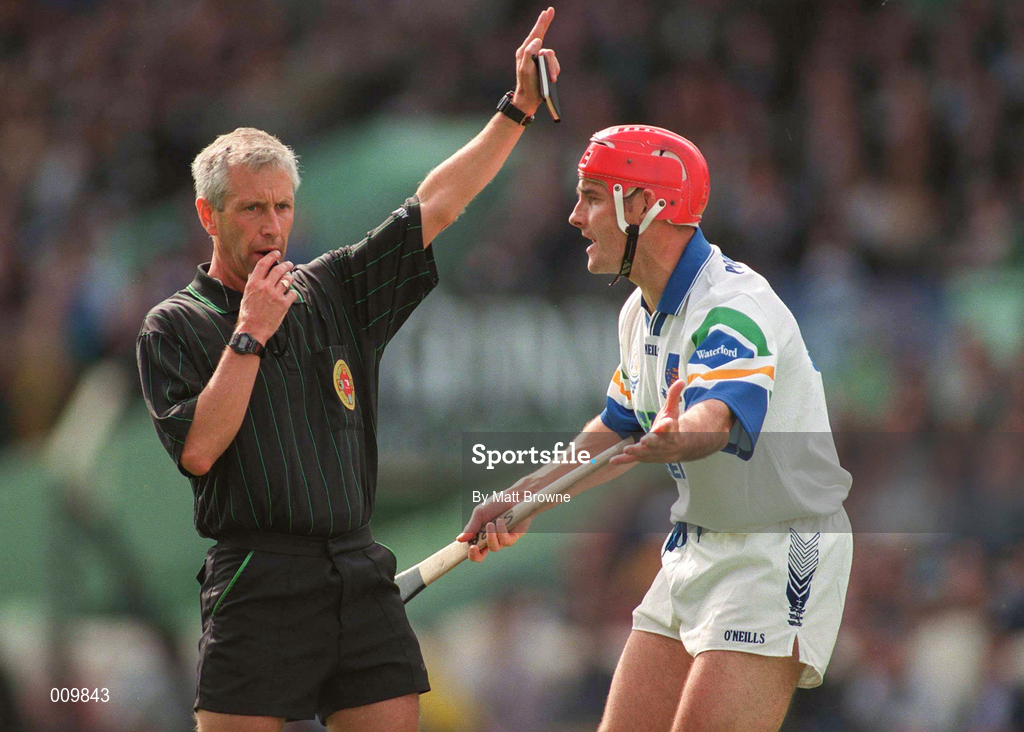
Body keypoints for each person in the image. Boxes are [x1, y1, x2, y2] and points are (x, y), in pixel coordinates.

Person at [135, 9, 560, 732]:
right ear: (208, 216)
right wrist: (250, 336)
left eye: (283, 208)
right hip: (255, 580)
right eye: (251, 210)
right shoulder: (174, 325)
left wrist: (515, 109)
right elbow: (200, 448)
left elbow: (438, 206)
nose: (271, 227)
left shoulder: (332, 289)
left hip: (358, 572)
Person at [459, 125, 853, 732]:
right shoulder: (638, 310)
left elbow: (716, 415)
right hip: (696, 545)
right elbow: (616, 426)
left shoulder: (732, 306)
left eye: (591, 195)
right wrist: (524, 497)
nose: (573, 215)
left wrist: (681, 434)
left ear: (643, 205)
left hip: (781, 549)